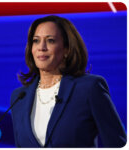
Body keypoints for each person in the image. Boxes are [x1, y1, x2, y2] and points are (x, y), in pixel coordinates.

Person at [10, 15, 126, 147]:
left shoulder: (89, 88)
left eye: (50, 40)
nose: (41, 47)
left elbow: (117, 143)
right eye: (36, 41)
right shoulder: (19, 98)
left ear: (66, 49)